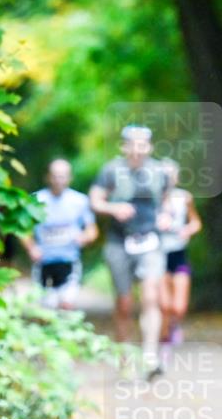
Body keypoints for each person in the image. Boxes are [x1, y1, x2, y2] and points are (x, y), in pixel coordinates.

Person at [89, 125, 168, 378]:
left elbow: (167, 200)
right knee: (124, 304)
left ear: (150, 147)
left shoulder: (160, 172)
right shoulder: (111, 170)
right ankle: (124, 358)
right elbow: (95, 200)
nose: (137, 149)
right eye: (132, 144)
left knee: (151, 297)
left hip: (150, 240)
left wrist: (165, 216)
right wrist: (114, 209)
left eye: (142, 144)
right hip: (118, 241)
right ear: (123, 147)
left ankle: (150, 356)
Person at [22, 159, 98, 310]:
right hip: (43, 262)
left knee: (66, 304)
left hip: (69, 261)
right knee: (45, 308)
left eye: (63, 176)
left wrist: (84, 237)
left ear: (70, 178)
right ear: (48, 177)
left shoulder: (80, 201)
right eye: (55, 176)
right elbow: (23, 228)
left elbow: (92, 230)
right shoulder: (35, 199)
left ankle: (64, 331)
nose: (59, 180)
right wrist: (31, 248)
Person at [157, 158, 202, 350]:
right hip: (157, 257)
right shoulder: (150, 199)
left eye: (171, 174)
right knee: (164, 305)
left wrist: (187, 230)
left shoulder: (184, 197)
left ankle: (174, 326)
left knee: (179, 307)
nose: (168, 178)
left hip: (179, 254)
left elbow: (196, 222)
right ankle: (163, 338)